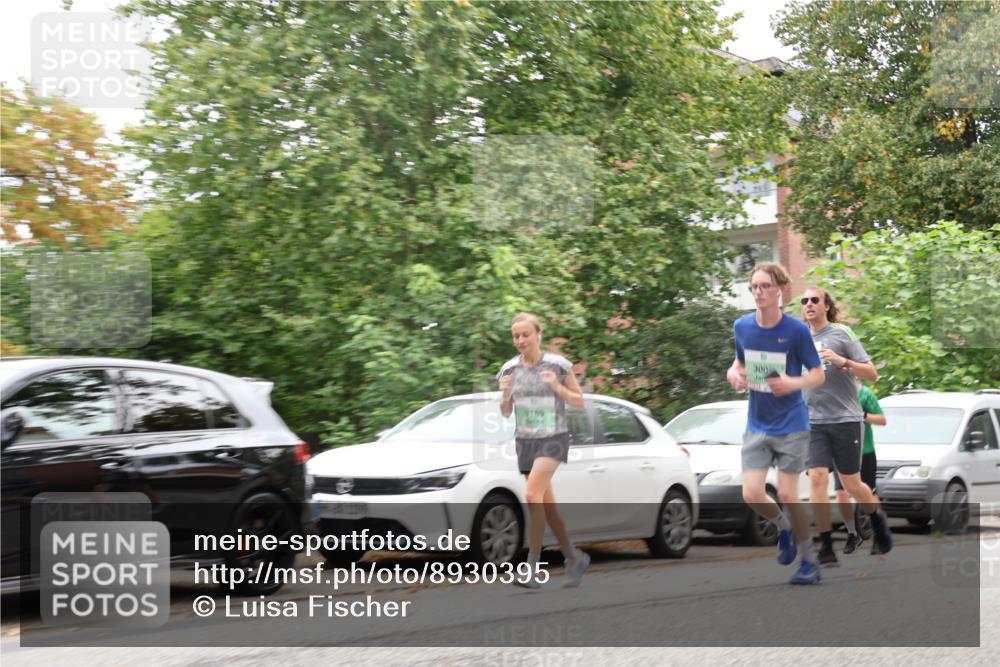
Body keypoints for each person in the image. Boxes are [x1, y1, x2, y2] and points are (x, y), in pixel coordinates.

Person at [726, 262, 826, 585]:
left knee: (787, 492)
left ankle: (809, 560)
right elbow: (738, 363)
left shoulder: (796, 331)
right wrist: (734, 375)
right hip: (757, 423)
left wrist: (791, 383)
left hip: (792, 423)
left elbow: (817, 373)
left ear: (780, 290)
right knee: (752, 494)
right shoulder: (742, 326)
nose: (758, 292)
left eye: (765, 286)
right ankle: (784, 529)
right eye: (754, 287)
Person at [800, 286, 892, 566]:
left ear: (826, 305)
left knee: (852, 485)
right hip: (814, 422)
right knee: (817, 477)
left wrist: (844, 361)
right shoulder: (799, 339)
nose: (809, 304)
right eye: (804, 301)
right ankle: (826, 545)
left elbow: (872, 373)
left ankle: (877, 519)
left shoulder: (842, 333)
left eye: (815, 300)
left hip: (846, 420)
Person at [497, 312, 589, 589]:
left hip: (553, 438)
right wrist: (504, 394)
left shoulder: (558, 365)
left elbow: (579, 402)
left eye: (526, 334)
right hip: (525, 441)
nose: (521, 340)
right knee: (547, 507)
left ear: (538, 335)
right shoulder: (509, 370)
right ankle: (573, 557)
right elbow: (505, 413)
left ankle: (532, 569)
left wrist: (556, 386)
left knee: (531, 494)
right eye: (516, 336)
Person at [833, 384, 887, 554]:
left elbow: (882, 420)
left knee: (869, 494)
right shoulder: (832, 394)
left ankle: (879, 532)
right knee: (841, 493)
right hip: (841, 452)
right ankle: (852, 533)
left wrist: (863, 415)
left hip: (865, 451)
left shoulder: (865, 394)